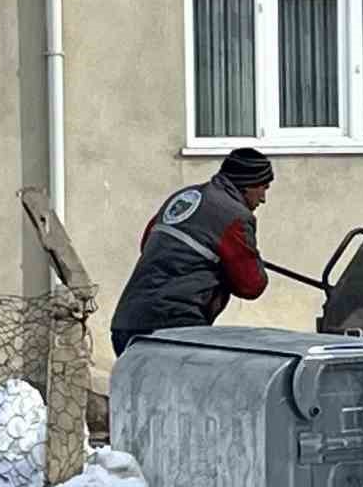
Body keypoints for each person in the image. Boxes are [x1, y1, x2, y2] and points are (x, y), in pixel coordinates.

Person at [109, 148, 273, 356]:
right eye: (263, 188)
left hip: (126, 325)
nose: (263, 198)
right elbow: (251, 285)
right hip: (173, 329)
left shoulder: (184, 197)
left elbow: (147, 245)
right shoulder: (235, 216)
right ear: (248, 183)